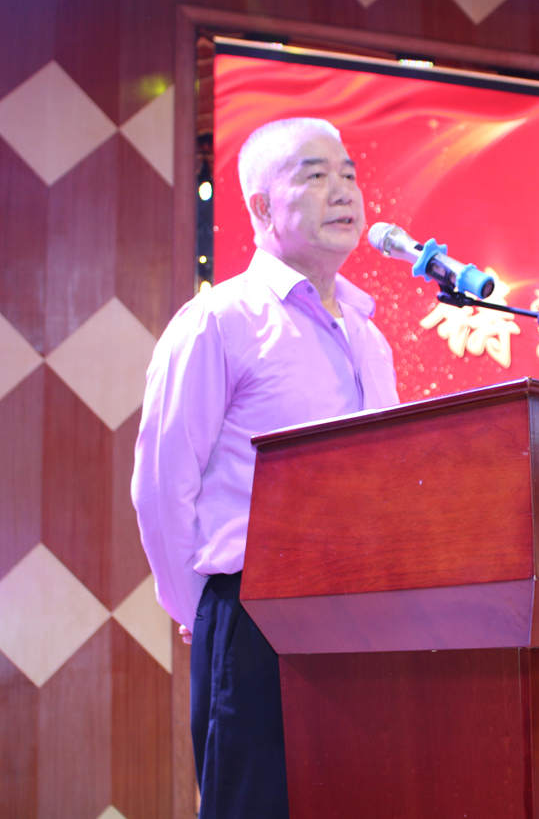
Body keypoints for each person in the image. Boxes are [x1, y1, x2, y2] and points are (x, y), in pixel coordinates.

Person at [131, 117, 398, 818]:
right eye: (315, 175)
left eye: (348, 174)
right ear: (260, 206)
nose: (343, 190)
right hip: (254, 618)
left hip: (369, 622)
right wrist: (202, 610)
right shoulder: (221, 320)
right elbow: (162, 485)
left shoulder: (369, 337)